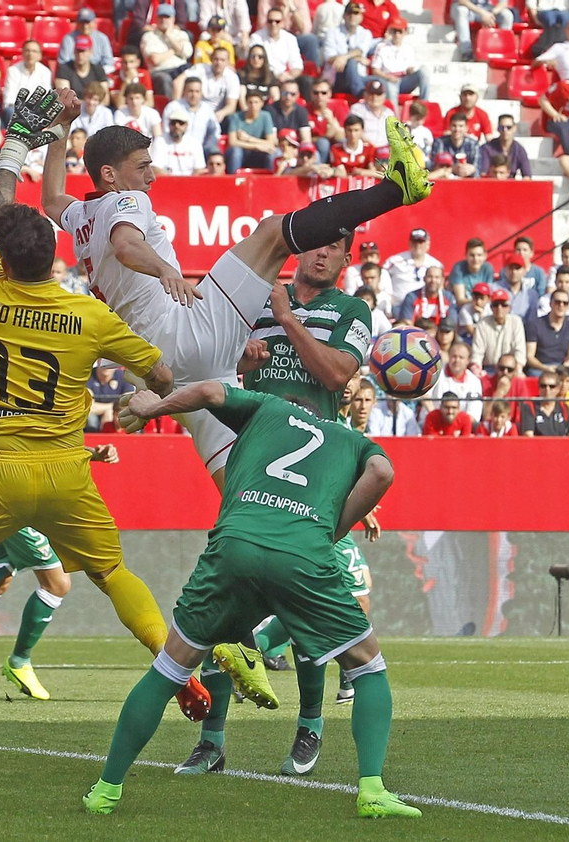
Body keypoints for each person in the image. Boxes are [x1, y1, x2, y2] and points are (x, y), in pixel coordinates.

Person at [0, 87, 211, 726]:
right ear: (56, 258)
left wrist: (20, 139)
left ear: (3, 256)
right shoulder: (90, 314)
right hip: (65, 472)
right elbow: (163, 374)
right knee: (111, 574)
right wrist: (149, 399)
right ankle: (173, 666)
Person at [46, 99, 429, 491]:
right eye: (142, 167)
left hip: (165, 370)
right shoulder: (128, 200)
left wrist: (60, 130)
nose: (152, 177)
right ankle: (394, 190)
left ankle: (267, 537)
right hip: (184, 329)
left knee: (240, 487)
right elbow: (126, 245)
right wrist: (164, 270)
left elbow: (51, 199)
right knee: (271, 233)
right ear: (109, 174)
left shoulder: (80, 217)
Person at [92, 379, 417, 819]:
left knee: (169, 668)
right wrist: (333, 529)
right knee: (367, 666)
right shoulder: (351, 439)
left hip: (236, 545)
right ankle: (373, 789)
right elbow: (383, 473)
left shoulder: (266, 408)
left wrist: (155, 407)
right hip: (304, 555)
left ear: (289, 406)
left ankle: (107, 789)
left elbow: (208, 392)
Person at [193, 233, 381, 775]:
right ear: (301, 249)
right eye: (317, 244)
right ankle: (211, 740)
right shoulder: (255, 301)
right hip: (251, 462)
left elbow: (336, 374)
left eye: (335, 248)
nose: (323, 253)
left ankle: (311, 727)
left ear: (347, 260)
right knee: (223, 598)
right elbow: (218, 371)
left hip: (314, 468)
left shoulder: (351, 310)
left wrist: (286, 318)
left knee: (301, 600)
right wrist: (241, 359)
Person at [0, 411, 116, 703]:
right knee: (57, 583)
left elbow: (45, 450)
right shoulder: (7, 385)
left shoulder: (42, 394)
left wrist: (92, 455)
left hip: (29, 497)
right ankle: (19, 661)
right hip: (11, 500)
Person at [471, 288, 526, 370]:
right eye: (496, 305)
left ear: (509, 308)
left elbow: (520, 351)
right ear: (491, 307)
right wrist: (476, 368)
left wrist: (518, 369)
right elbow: (477, 352)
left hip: (510, 368)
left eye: (503, 305)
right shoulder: (483, 323)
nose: (499, 308)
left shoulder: (516, 322)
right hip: (488, 367)